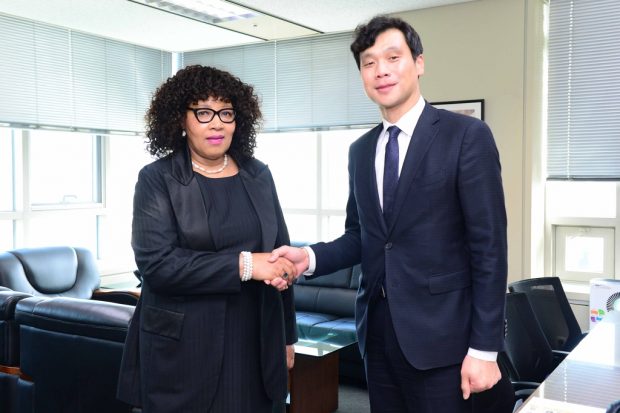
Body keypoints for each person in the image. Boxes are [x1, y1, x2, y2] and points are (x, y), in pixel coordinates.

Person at [271, 15, 510, 413]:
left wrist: (484, 349)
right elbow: (360, 235)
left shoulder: (466, 136)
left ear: (418, 63)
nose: (380, 70)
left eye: (393, 57)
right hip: (379, 338)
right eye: (368, 62)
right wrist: (309, 258)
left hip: (444, 342)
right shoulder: (360, 151)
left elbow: (489, 249)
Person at [117, 65, 296, 413]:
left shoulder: (258, 173)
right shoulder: (157, 179)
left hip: (255, 343)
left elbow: (279, 252)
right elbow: (158, 266)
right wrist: (245, 265)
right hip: (185, 350)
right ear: (181, 120)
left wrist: (287, 335)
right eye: (203, 112)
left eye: (226, 112)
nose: (217, 123)